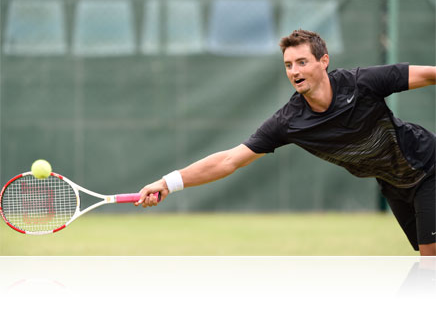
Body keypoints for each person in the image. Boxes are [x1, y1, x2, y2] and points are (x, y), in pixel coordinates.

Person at [135, 29, 436, 256]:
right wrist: (168, 182)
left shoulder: (361, 82)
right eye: (289, 65)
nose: (294, 71)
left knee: (428, 265)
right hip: (394, 184)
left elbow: (427, 75)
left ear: (323, 62)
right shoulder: (289, 121)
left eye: (302, 62)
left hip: (428, 167)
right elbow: (229, 160)